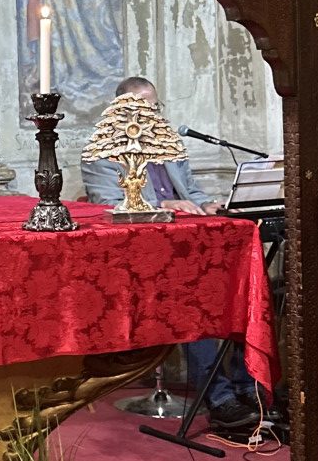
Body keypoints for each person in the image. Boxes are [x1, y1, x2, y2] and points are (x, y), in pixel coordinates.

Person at [82, 75, 262, 435]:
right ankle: (219, 397)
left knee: (241, 289)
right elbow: (103, 205)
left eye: (154, 105)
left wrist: (207, 204)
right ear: (121, 110)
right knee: (192, 300)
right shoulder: (104, 154)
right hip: (142, 256)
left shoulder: (170, 147)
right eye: (139, 106)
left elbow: (191, 192)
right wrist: (164, 203)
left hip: (188, 247)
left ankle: (252, 391)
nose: (149, 113)